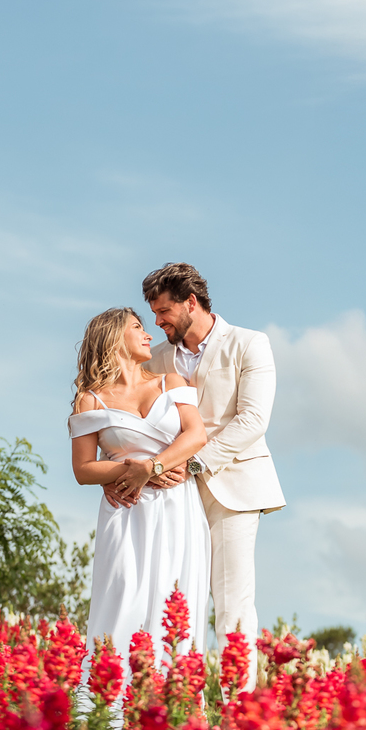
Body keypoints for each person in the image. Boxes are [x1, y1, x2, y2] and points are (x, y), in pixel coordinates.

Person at [137, 263, 285, 686]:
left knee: (232, 602)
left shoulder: (249, 344)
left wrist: (192, 463)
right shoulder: (156, 358)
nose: (157, 321)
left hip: (233, 488)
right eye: (153, 313)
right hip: (170, 491)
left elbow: (252, 420)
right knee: (173, 599)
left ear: (191, 302)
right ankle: (178, 702)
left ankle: (239, 708)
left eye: (163, 311)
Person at [68, 306, 211, 680]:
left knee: (175, 599)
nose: (149, 334)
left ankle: (172, 698)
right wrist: (135, 472)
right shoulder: (91, 399)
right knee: (123, 593)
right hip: (126, 510)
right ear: (114, 336)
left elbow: (196, 435)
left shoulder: (172, 382)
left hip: (179, 506)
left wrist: (154, 466)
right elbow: (83, 469)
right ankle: (107, 697)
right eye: (138, 327)